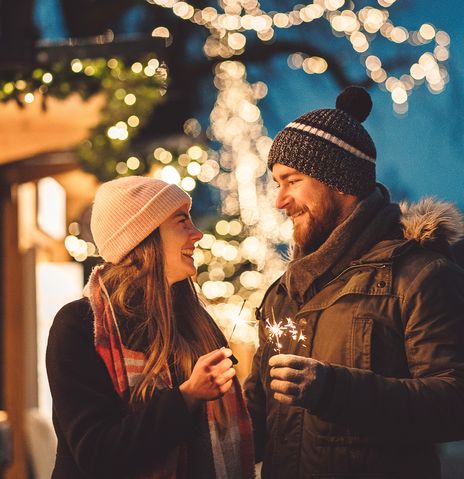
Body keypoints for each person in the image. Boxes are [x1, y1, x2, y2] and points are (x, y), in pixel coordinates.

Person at [244, 86, 464, 478]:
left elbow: (454, 402)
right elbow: (257, 417)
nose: (279, 200)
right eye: (276, 183)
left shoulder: (420, 276)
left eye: (291, 180)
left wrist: (335, 390)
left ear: (340, 180)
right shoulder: (284, 293)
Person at [47, 176, 254, 479]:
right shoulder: (79, 326)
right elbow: (96, 454)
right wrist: (187, 396)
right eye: (181, 221)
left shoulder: (194, 323)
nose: (196, 234)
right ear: (143, 237)